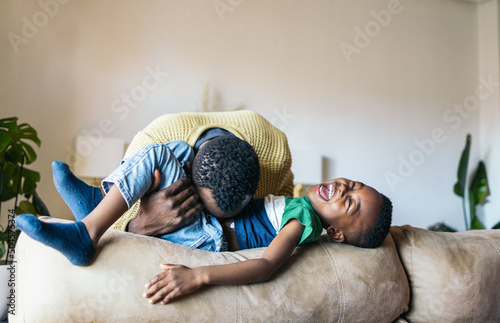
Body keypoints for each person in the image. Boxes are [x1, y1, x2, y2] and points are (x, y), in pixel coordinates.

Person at [15, 135, 260, 266]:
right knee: (176, 149)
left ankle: (88, 228)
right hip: (193, 169)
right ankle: (97, 205)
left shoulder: (263, 164)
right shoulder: (163, 133)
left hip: (210, 242)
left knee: (161, 154)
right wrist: (142, 222)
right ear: (190, 171)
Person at [142, 177, 393, 305]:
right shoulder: (303, 206)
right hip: (209, 222)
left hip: (207, 235)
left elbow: (266, 266)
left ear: (336, 233)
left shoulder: (304, 219)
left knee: (160, 157)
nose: (342, 188)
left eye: (348, 202)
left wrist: (198, 276)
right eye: (351, 184)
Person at [111, 110, 295, 236]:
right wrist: (142, 224)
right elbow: (111, 229)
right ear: (188, 171)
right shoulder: (152, 141)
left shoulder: (275, 154)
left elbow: (285, 196)